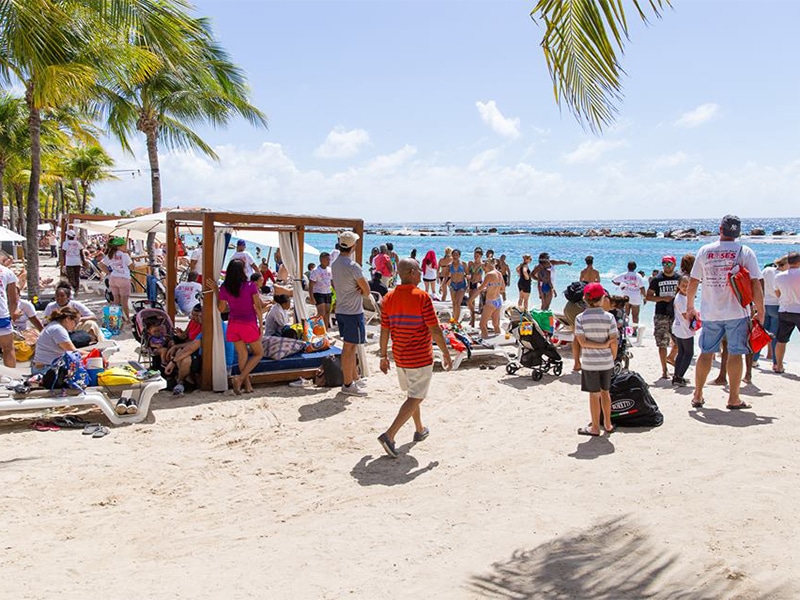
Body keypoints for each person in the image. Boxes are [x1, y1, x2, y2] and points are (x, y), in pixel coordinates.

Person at [686, 215, 764, 409]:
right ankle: (733, 398)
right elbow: (755, 283)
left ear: (720, 229)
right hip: (738, 312)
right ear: (738, 232)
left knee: (706, 353)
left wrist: (690, 307)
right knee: (736, 354)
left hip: (710, 312)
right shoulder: (745, 251)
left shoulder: (705, 250)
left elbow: (694, 281)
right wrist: (760, 310)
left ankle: (698, 394)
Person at [377, 258, 452, 458]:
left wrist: (384, 355)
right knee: (417, 396)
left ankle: (420, 429)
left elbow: (384, 330)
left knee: (412, 394)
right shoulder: (422, 297)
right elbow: (435, 329)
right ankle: (389, 435)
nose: (421, 273)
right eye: (419, 270)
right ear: (411, 272)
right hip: (419, 356)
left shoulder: (388, 298)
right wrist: (446, 352)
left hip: (400, 356)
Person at [207, 259, 265, 395]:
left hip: (233, 324)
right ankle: (239, 378)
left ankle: (247, 385)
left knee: (242, 354)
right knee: (259, 353)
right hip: (248, 323)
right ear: (242, 271)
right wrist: (261, 325)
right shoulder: (250, 286)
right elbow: (257, 307)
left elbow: (221, 309)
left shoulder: (225, 288)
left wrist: (216, 291)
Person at [574, 283, 618, 437]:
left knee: (594, 395)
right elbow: (614, 341)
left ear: (585, 299)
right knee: (606, 392)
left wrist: (598, 346)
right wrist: (610, 352)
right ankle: (607, 423)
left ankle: (595, 427)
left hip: (590, 362)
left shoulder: (580, 318)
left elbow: (582, 342)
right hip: (606, 361)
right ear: (603, 298)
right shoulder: (609, 317)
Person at [330, 231, 370, 396]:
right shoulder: (353, 266)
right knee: (349, 348)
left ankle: (354, 378)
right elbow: (367, 291)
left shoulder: (335, 263)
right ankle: (348, 384)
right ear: (352, 246)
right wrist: (359, 290)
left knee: (350, 347)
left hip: (341, 310)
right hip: (353, 312)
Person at [646, 255, 681, 379]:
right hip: (661, 314)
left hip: (677, 314)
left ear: (674, 264)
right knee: (662, 343)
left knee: (680, 342)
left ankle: (671, 358)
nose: (667, 266)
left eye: (669, 263)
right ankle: (664, 370)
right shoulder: (657, 279)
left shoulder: (679, 278)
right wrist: (662, 298)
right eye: (664, 263)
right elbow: (648, 296)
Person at [31, 306, 84, 375]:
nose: (76, 326)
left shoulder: (53, 326)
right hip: (46, 369)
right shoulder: (58, 329)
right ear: (67, 319)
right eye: (76, 322)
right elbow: (73, 352)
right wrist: (91, 354)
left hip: (41, 367)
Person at [756, 255, 788, 367]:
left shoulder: (767, 270)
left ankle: (754, 360)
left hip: (764, 304)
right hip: (776, 305)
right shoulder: (782, 276)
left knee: (761, 333)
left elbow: (759, 284)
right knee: (775, 336)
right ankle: (776, 363)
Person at [773, 251, 800, 374]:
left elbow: (777, 293)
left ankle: (778, 366)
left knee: (781, 340)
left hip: (784, 310)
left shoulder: (779, 276)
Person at [468, 260, 505, 338]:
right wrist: (490, 289)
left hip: (490, 302)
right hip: (498, 300)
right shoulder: (499, 274)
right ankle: (497, 340)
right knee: (495, 324)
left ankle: (485, 340)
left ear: (487, 265)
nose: (484, 270)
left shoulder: (489, 275)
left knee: (482, 325)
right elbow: (502, 289)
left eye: (484, 268)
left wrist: (470, 300)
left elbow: (479, 289)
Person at [100, 237, 133, 323]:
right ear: (119, 246)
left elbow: (101, 265)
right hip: (123, 278)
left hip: (113, 278)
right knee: (124, 301)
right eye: (124, 245)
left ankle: (113, 320)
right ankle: (127, 319)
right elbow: (132, 267)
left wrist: (109, 273)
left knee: (115, 301)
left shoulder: (110, 255)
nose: (125, 247)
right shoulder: (124, 255)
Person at [671, 275, 696, 387]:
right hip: (684, 329)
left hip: (680, 327)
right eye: (683, 285)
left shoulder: (683, 297)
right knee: (688, 353)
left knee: (681, 352)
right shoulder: (681, 299)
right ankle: (679, 376)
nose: (686, 287)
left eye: (688, 285)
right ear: (678, 286)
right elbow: (686, 316)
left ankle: (677, 376)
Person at [612, 261, 646, 330]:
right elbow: (642, 288)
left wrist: (621, 285)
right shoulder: (638, 276)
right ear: (635, 267)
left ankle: (625, 329)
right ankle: (634, 330)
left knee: (626, 314)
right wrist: (644, 297)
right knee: (635, 315)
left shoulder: (624, 275)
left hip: (626, 296)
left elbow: (613, 280)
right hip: (636, 297)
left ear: (627, 267)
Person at [0, 261, 19, 367]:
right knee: (8, 348)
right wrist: (10, 316)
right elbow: (14, 300)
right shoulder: (7, 271)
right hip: (2, 314)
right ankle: (12, 378)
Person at [308, 252, 333, 329]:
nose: (329, 261)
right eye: (327, 259)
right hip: (318, 293)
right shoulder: (316, 271)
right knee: (322, 313)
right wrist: (311, 297)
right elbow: (311, 285)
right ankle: (317, 328)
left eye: (329, 259)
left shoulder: (330, 270)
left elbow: (332, 282)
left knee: (327, 313)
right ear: (321, 260)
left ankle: (326, 331)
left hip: (328, 292)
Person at [61, 229, 86, 296]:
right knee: (77, 276)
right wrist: (83, 262)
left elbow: (63, 254)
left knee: (70, 276)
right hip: (77, 262)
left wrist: (63, 263)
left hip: (69, 262)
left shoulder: (65, 243)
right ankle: (76, 288)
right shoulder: (78, 243)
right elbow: (81, 254)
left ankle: (74, 287)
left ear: (68, 236)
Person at [445, 249, 467, 322]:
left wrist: (469, 285)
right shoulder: (449, 266)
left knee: (458, 303)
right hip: (453, 285)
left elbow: (468, 274)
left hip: (461, 285)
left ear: (459, 256)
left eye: (456, 255)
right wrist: (443, 285)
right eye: (454, 255)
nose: (455, 256)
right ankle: (454, 319)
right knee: (454, 303)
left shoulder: (463, 264)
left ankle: (456, 322)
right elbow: (446, 276)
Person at [467, 247, 484, 326]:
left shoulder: (483, 264)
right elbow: (468, 273)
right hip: (471, 283)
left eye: (477, 255)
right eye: (475, 255)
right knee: (471, 303)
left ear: (481, 256)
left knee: (469, 301)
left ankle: (473, 319)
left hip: (478, 283)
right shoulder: (470, 263)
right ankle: (472, 317)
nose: (475, 257)